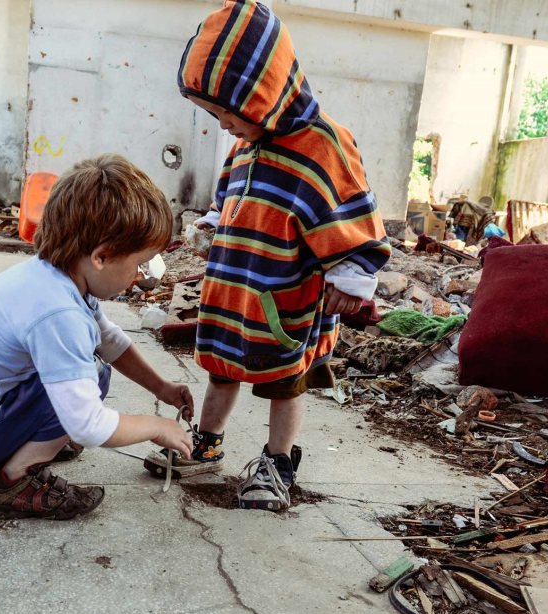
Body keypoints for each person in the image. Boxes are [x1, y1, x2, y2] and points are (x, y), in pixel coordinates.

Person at [144, 0, 390, 511]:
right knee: (222, 368)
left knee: (284, 378)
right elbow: (230, 192)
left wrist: (351, 276)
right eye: (214, 115)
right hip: (233, 285)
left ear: (265, 94)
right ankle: (206, 442)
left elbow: (350, 208)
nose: (224, 125)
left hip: (285, 292)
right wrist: (213, 224)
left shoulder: (324, 144)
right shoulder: (248, 144)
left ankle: (277, 462)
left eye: (229, 113)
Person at [0, 154, 194, 520]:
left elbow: (109, 340)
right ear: (102, 256)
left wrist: (161, 387)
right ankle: (13, 482)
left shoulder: (58, 275)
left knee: (94, 369)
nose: (140, 276)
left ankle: (32, 441)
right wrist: (157, 427)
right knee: (86, 380)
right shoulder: (58, 313)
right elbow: (88, 425)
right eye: (140, 263)